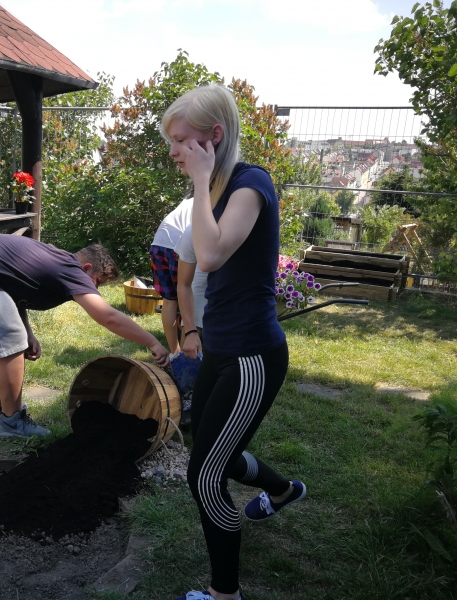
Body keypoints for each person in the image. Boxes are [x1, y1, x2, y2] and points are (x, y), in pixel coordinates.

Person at [162, 86, 306, 600]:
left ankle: (225, 595)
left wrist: (202, 182)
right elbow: (196, 264)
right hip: (220, 352)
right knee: (214, 450)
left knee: (204, 477)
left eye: (182, 140)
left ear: (214, 137)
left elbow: (211, 256)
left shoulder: (250, 184)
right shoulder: (220, 189)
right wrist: (193, 332)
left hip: (251, 358)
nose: (173, 152)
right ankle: (283, 490)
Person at [0, 234, 170, 438]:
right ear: (87, 268)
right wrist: (152, 342)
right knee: (10, 342)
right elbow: (107, 316)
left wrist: (28, 332)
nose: (94, 289)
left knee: (2, 338)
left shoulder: (59, 261)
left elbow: (14, 290)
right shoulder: (72, 270)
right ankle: (11, 422)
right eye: (97, 282)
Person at [150, 196, 193, 355]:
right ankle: (186, 356)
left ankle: (175, 353)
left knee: (169, 301)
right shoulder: (211, 199)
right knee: (187, 297)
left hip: (158, 244)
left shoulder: (189, 198)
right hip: (179, 246)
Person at [174, 223, 208, 359]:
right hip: (200, 279)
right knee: (194, 321)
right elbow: (184, 284)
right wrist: (190, 331)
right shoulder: (193, 232)